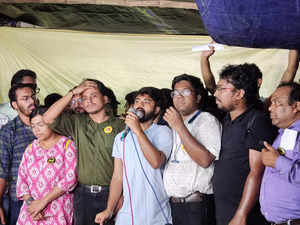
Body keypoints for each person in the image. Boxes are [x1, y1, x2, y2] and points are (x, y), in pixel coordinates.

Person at [43, 79, 124, 225]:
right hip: (83, 195)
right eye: (84, 98)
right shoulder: (77, 122)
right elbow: (47, 118)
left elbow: (128, 166)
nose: (88, 101)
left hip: (111, 194)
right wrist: (73, 93)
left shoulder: (121, 126)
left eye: (93, 96)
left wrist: (121, 196)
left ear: (105, 99)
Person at [95, 87, 173, 225]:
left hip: (156, 214)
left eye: (146, 101)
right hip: (127, 215)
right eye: (137, 101)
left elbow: (156, 162)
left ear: (156, 110)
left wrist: (138, 130)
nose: (140, 105)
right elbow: (117, 177)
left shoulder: (163, 132)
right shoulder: (121, 137)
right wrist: (109, 209)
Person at [212, 64, 278, 225]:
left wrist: (241, 214)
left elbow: (257, 172)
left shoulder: (257, 121)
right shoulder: (227, 120)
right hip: (224, 209)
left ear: (239, 94)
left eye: (222, 89)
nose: (215, 93)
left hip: (246, 213)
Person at [163, 74, 221, 225]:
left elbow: (205, 160)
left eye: (186, 92)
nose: (179, 96)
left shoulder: (206, 120)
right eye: (175, 93)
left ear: (198, 97)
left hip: (196, 205)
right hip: (176, 204)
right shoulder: (174, 122)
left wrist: (179, 127)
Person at [16, 106, 77, 225]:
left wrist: (42, 202)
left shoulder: (67, 145)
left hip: (58, 209)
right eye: (33, 126)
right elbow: (22, 179)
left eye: (40, 125)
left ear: (52, 122)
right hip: (32, 211)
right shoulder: (31, 148)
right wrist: (32, 205)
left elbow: (70, 178)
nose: (36, 130)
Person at [260, 82, 300, 225]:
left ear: (296, 106)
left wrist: (277, 162)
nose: (270, 108)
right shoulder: (283, 133)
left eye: (277, 103)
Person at [0, 83, 37, 225]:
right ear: (15, 105)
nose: (32, 101)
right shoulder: (9, 131)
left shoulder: (47, 125)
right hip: (20, 200)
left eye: (33, 97)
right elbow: (2, 170)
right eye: (25, 98)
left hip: (48, 198)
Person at [200, 44, 299, 95]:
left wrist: (292, 41)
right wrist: (204, 58)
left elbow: (290, 71)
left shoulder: (267, 105)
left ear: (258, 82)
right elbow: (211, 87)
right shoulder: (230, 99)